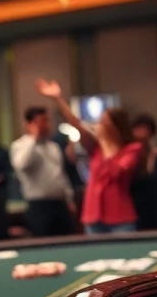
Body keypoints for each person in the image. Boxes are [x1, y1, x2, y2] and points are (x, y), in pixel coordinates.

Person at [35, 79, 143, 234]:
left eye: (104, 122)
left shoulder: (131, 149)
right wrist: (58, 98)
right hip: (93, 215)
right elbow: (76, 123)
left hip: (119, 216)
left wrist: (105, 144)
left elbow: (117, 172)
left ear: (115, 127)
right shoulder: (95, 148)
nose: (99, 125)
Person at [10, 106, 76, 237]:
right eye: (42, 121)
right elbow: (21, 164)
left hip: (60, 204)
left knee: (66, 244)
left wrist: (69, 199)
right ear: (29, 125)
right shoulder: (20, 145)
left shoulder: (53, 147)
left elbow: (60, 175)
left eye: (47, 121)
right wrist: (34, 138)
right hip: (39, 206)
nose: (46, 125)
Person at [130, 114, 157, 230]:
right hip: (136, 213)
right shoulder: (129, 157)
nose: (142, 133)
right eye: (138, 129)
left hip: (156, 213)